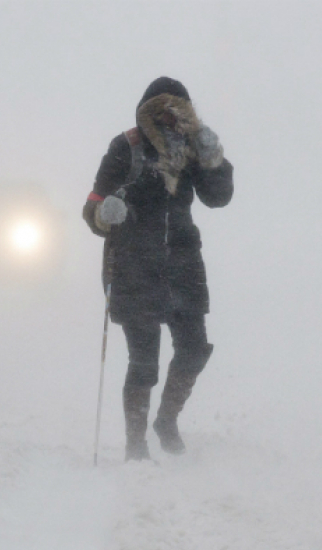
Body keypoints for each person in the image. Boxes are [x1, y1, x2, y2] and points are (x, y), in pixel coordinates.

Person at [82, 77, 234, 461]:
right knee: (144, 361)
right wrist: (104, 213)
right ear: (149, 111)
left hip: (183, 263)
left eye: (178, 110)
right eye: (163, 110)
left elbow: (218, 198)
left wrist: (215, 160)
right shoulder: (127, 147)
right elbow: (93, 208)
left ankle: (166, 420)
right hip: (135, 265)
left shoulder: (192, 148)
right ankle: (136, 445)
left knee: (194, 349)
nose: (171, 117)